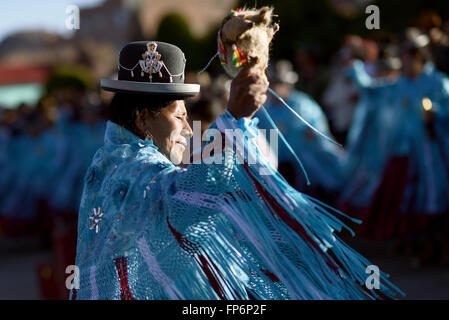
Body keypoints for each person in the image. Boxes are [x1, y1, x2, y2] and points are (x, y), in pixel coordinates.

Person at [71, 41, 401, 300]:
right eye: (179, 115)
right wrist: (232, 121)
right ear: (143, 118)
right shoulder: (130, 168)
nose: (188, 130)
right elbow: (183, 196)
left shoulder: (112, 159)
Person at [339, 29, 449, 264]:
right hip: (404, 154)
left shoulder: (438, 82)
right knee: (406, 200)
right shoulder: (399, 85)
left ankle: (439, 247)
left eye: (408, 57)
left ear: (419, 57)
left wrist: (436, 114)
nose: (404, 62)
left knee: (436, 197)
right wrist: (356, 67)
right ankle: (420, 246)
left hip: (433, 156)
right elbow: (371, 90)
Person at [255, 60, 344, 196]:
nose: (276, 89)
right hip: (278, 169)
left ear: (289, 85)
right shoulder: (263, 110)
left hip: (309, 170)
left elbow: (320, 137)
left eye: (280, 84)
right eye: (273, 84)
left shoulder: (303, 106)